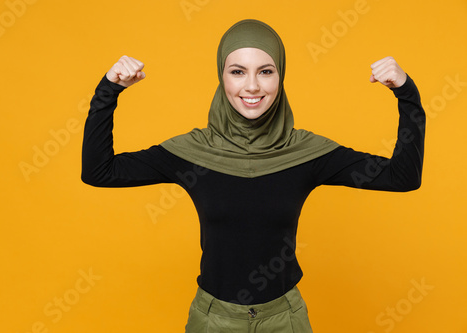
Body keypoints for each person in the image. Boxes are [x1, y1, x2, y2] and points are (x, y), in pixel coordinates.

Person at [82, 19, 425, 333]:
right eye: (237, 71)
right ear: (222, 76)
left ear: (280, 77)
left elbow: (402, 177)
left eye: (265, 71)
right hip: (212, 320)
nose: (251, 86)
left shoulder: (306, 153)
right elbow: (100, 171)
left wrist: (406, 93)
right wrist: (108, 91)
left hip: (285, 319)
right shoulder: (193, 152)